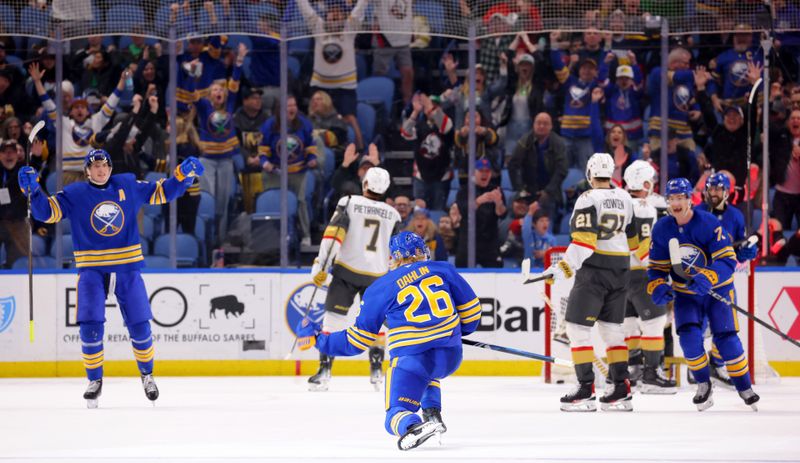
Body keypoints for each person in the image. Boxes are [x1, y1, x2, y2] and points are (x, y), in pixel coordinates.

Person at [18, 149, 204, 407]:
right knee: (90, 326)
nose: (100, 169)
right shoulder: (75, 194)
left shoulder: (128, 184)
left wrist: (183, 175)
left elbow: (164, 192)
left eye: (104, 164)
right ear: (87, 170)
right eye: (95, 166)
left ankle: (147, 375)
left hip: (127, 267)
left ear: (110, 167)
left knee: (140, 324)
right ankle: (95, 381)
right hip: (92, 269)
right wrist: (34, 191)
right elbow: (46, 213)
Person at [295, 231, 481, 450]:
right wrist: (457, 333)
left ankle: (411, 425)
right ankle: (432, 413)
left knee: (394, 413)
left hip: (413, 360)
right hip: (451, 356)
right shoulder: (444, 269)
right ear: (421, 252)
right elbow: (472, 315)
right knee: (429, 373)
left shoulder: (380, 288)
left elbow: (356, 341)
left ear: (394, 257)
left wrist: (318, 339)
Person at [647, 178, 760, 411]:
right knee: (688, 338)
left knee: (727, 340)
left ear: (690, 199)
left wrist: (708, 276)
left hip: (718, 291)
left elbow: (728, 260)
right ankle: (702, 384)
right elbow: (656, 267)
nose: (676, 203)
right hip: (686, 294)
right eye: (672, 199)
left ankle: (744, 386)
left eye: (680, 198)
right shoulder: (661, 229)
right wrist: (657, 285)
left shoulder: (707, 223)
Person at [546, 152, 635, 412]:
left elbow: (585, 242)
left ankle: (585, 389)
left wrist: (562, 267)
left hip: (595, 269)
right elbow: (631, 238)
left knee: (576, 329)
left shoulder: (588, 198)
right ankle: (621, 388)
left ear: (589, 174)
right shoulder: (625, 197)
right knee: (612, 329)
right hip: (621, 268)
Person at [307, 162, 401, 392]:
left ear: (365, 183)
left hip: (346, 270)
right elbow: (395, 252)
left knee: (332, 321)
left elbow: (333, 237)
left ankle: (324, 371)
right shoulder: (394, 214)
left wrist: (321, 265)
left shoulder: (348, 202)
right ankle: (377, 370)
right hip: (378, 276)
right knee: (376, 323)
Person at [695, 172, 759, 386]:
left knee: (724, 325)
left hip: (723, 281)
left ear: (727, 192)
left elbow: (739, 246)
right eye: (711, 189)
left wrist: (745, 252)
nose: (713, 193)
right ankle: (699, 366)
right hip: (700, 278)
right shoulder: (696, 213)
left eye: (718, 189)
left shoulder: (736, 216)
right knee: (697, 325)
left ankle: (716, 363)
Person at [620, 160, 677, 394]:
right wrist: (658, 271)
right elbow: (643, 243)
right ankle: (651, 375)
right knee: (654, 325)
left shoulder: (617, 203)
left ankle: (632, 371)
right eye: (651, 181)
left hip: (619, 274)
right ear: (644, 183)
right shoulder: (643, 206)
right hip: (643, 275)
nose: (652, 185)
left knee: (629, 325)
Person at [29, 61, 126, 185]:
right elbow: (47, 103)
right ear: (70, 112)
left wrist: (122, 81)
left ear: (88, 111)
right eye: (76, 107)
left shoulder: (96, 120)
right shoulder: (62, 123)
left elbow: (112, 102)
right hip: (67, 175)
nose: (79, 109)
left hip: (91, 175)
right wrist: (37, 82)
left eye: (83, 107)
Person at [507, 112, 569, 225]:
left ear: (551, 126)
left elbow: (562, 170)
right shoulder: (525, 141)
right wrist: (519, 188)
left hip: (550, 192)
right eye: (538, 123)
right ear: (533, 125)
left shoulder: (558, 143)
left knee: (546, 225)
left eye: (545, 124)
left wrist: (548, 191)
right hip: (528, 190)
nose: (541, 126)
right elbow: (513, 164)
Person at [451, 158, 506, 268]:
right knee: (462, 274)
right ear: (474, 173)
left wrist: (498, 202)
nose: (484, 174)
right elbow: (463, 210)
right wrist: (479, 201)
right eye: (481, 171)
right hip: (468, 242)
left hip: (489, 242)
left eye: (487, 171)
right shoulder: (464, 191)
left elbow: (502, 214)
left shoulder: (495, 190)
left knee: (495, 273)